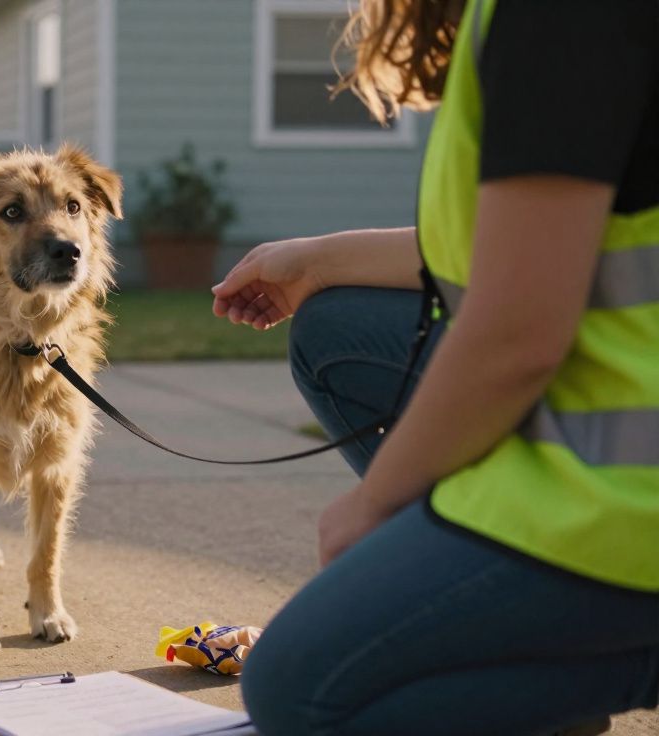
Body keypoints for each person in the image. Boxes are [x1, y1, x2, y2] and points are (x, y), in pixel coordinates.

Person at [212, 0, 659, 733]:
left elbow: (518, 331)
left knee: (303, 690)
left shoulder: (563, 18)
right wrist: (315, 261)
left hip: (631, 493)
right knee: (336, 327)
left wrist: (373, 510)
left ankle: (612, 662)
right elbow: (516, 242)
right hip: (610, 437)